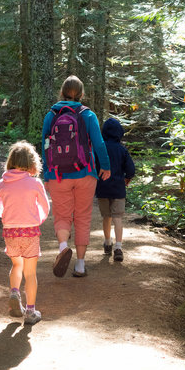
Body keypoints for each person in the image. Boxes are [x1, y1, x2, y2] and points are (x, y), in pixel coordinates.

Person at [42, 75, 111, 278]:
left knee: (62, 216)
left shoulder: (51, 115)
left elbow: (45, 146)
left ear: (61, 93)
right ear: (81, 94)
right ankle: (80, 265)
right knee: (82, 217)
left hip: (58, 175)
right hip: (86, 173)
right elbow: (99, 144)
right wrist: (105, 166)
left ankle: (63, 247)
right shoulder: (88, 115)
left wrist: (47, 174)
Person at [0, 140, 50, 325]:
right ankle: (31, 312)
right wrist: (36, 219)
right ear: (32, 163)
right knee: (30, 273)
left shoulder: (1, 183)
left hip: (10, 231)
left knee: (16, 265)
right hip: (30, 231)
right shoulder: (35, 183)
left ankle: (14, 293)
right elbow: (45, 208)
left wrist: (8, 216)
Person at [96, 117, 135, 262]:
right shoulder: (122, 150)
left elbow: (94, 166)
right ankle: (118, 247)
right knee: (117, 217)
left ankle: (107, 242)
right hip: (118, 188)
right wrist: (127, 178)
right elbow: (131, 169)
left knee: (106, 217)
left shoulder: (99, 148)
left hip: (102, 187)